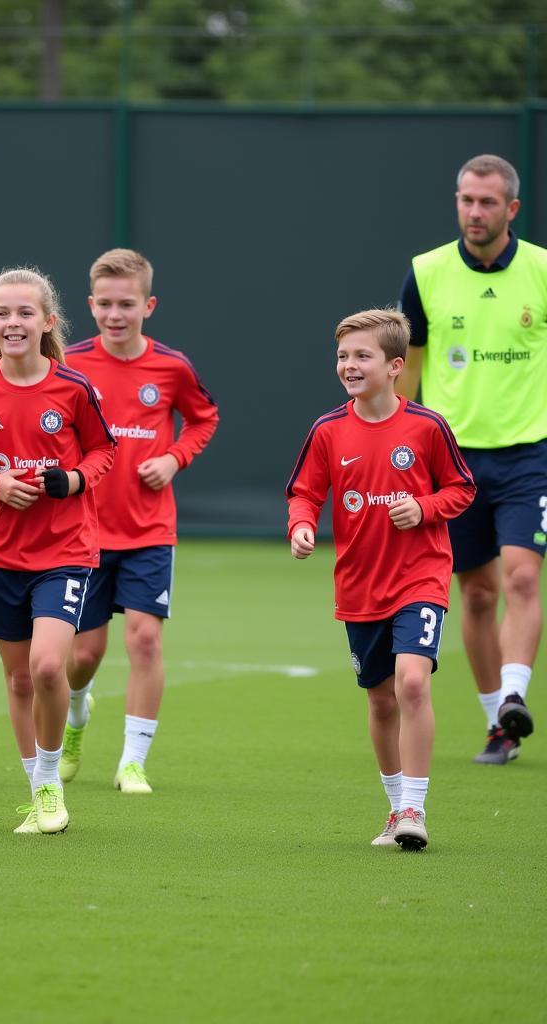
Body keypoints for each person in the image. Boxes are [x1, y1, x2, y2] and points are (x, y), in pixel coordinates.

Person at [286, 309, 475, 851]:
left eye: (362, 355)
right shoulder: (327, 430)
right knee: (381, 700)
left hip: (420, 578)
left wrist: (424, 508)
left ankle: (415, 806)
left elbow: (460, 489)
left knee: (413, 682)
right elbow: (304, 493)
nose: (349, 364)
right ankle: (395, 809)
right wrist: (301, 526)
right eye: (343, 355)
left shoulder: (426, 426)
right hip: (359, 586)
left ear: (395, 365)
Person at [0, 267, 116, 834]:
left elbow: (102, 454)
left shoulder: (73, 387)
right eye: (2, 313)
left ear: (48, 322)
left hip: (66, 548)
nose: (13, 323)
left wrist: (69, 481)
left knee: (49, 668)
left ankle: (49, 781)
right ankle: (40, 788)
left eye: (25, 313)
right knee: (19, 680)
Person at [398, 154, 547, 765]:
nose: (475, 212)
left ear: (511, 209)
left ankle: (515, 692)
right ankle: (499, 724)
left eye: (487, 202)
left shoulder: (541, 270)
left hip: (528, 454)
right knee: (479, 595)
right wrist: (400, 448)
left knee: (521, 576)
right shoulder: (425, 273)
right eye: (466, 200)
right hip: (453, 461)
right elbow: (406, 367)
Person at [61, 249, 219, 793]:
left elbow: (204, 418)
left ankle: (132, 762)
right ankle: (77, 710)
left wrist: (174, 457)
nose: (115, 314)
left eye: (126, 304)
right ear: (90, 305)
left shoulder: (172, 367)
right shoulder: (72, 364)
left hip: (150, 531)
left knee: (145, 641)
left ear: (148, 305)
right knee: (84, 654)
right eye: (104, 304)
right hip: (84, 530)